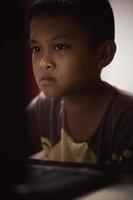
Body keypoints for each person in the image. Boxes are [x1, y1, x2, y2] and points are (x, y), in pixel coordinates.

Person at [26, 0, 133, 170]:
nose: (43, 63)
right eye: (36, 49)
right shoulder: (41, 110)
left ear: (103, 54)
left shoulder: (125, 120)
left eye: (60, 46)